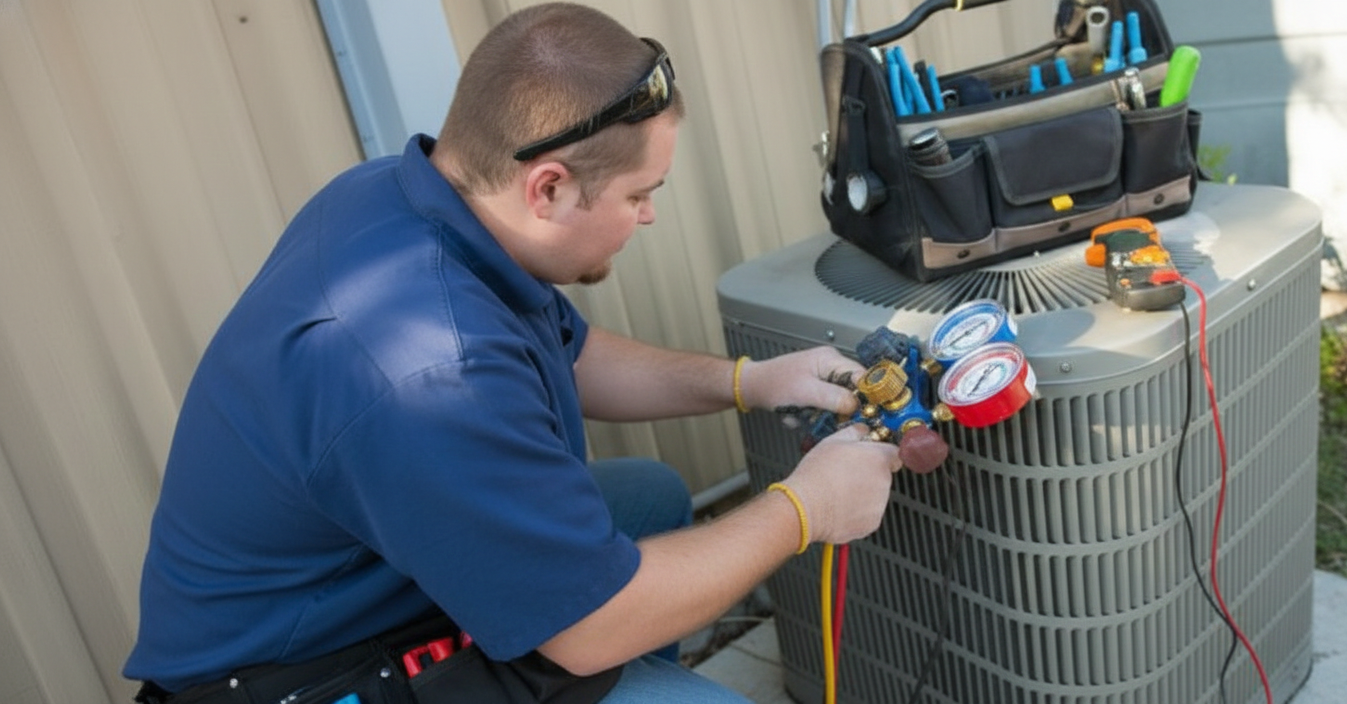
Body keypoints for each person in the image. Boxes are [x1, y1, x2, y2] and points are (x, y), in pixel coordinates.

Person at [123, 3, 902, 703]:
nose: (650, 216)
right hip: (303, 674)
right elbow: (591, 626)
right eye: (639, 194)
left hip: (361, 580)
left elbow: (573, 352)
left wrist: (750, 380)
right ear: (549, 189)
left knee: (648, 498)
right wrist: (807, 508)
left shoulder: (392, 197)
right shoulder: (428, 372)